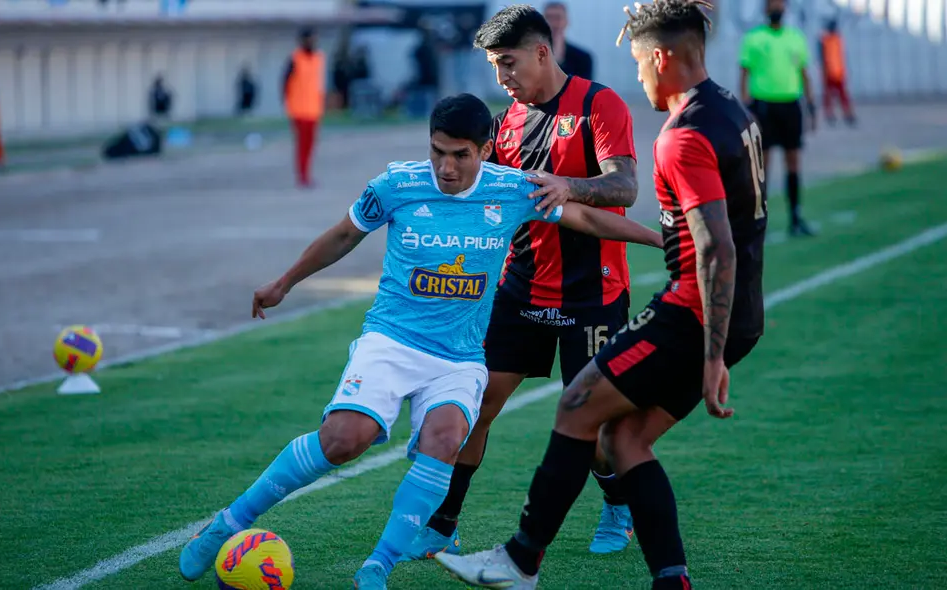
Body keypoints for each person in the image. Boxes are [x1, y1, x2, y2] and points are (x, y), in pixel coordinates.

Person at [177, 93, 663, 590]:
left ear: (485, 149)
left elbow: (586, 218)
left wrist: (660, 238)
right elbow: (345, 234)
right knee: (344, 441)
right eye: (437, 152)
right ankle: (229, 524)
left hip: (459, 357)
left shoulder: (513, 188)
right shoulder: (397, 185)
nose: (446, 167)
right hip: (392, 341)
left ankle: (377, 567)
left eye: (460, 155)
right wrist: (284, 282)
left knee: (446, 439)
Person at [435, 2, 766, 589]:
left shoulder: (635, 117)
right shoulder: (732, 111)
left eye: (640, 61)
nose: (637, 75)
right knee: (576, 423)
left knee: (587, 416)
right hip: (529, 286)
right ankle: (448, 525)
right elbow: (527, 208)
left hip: (621, 298)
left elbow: (643, 203)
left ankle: (531, 554)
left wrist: (713, 352)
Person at [400, 4, 642, 561]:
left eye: (508, 63)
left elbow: (625, 187)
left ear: (541, 50)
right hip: (521, 290)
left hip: (593, 295)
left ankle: (618, 505)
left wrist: (569, 186)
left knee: (596, 424)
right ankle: (443, 523)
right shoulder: (505, 123)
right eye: (493, 66)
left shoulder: (597, 104)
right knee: (475, 405)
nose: (502, 78)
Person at [739, 0, 815, 237]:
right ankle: (759, 220)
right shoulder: (754, 39)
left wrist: (811, 106)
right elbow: (744, 73)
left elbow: (804, 73)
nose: (777, 9)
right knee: (763, 164)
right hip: (763, 106)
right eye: (773, 4)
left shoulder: (796, 38)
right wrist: (746, 107)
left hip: (791, 105)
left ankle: (795, 216)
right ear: (765, 9)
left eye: (780, 4)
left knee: (793, 161)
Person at [284, 28, 326, 188]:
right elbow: (285, 82)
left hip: (314, 109)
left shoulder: (318, 58)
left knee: (310, 145)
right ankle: (303, 175)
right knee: (302, 145)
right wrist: (288, 103)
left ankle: (306, 173)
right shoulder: (295, 59)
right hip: (299, 110)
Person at [819, 18, 855, 127]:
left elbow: (841, 56)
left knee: (842, 96)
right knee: (829, 96)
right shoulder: (825, 40)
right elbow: (822, 57)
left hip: (838, 72)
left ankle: (847, 114)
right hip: (830, 73)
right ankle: (830, 115)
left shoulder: (837, 39)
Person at [544, 1, 594, 80]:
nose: (553, 23)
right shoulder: (530, 56)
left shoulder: (583, 59)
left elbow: (584, 90)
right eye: (549, 18)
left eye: (558, 18)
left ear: (566, 22)